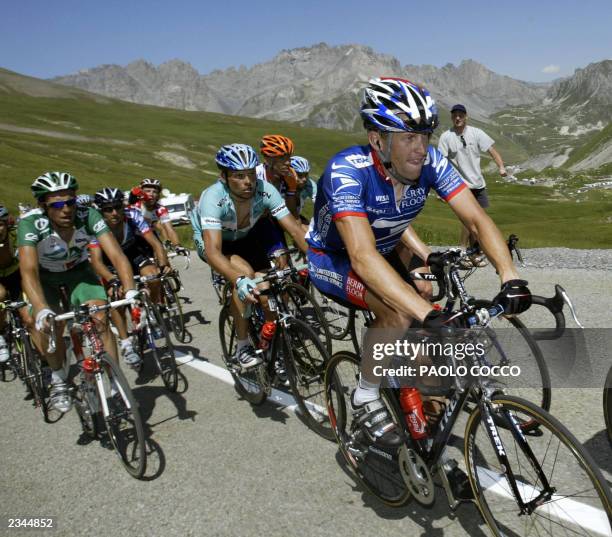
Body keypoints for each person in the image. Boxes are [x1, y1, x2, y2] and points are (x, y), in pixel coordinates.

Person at [306, 78, 531, 449]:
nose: (420, 148)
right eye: (407, 137)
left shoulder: (430, 161)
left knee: (429, 316)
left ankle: (424, 400)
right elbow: (361, 257)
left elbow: (475, 219)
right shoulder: (347, 171)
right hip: (335, 257)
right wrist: (424, 313)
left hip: (384, 252)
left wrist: (510, 277)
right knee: (400, 314)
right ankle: (365, 394)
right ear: (378, 139)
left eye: (424, 135)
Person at [18, 172, 138, 413]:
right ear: (43, 206)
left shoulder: (88, 215)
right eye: (57, 205)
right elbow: (28, 271)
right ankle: (59, 378)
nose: (66, 210)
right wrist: (41, 309)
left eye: (70, 202)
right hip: (45, 278)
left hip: (78, 272)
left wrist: (130, 291)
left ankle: (115, 380)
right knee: (46, 325)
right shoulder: (30, 223)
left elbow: (116, 255)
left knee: (99, 316)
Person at [198, 144, 308, 368]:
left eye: (250, 174)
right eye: (239, 176)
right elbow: (213, 251)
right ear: (224, 176)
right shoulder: (213, 197)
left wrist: (319, 261)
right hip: (217, 244)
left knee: (273, 283)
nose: (248, 181)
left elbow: (295, 230)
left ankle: (270, 336)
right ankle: (242, 345)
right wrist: (238, 280)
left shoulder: (265, 189)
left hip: (246, 236)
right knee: (246, 275)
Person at [89, 187, 172, 367]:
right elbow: (96, 262)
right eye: (108, 209)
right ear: (100, 211)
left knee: (153, 277)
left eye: (117, 207)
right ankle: (126, 343)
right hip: (108, 261)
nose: (114, 213)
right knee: (115, 296)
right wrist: (112, 279)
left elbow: (155, 243)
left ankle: (153, 309)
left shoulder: (132, 215)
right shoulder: (95, 226)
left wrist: (164, 263)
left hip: (133, 253)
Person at [437, 104, 507, 265]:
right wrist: (442, 189)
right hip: (460, 185)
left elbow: (492, 151)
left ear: (466, 116)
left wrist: (501, 167)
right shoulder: (446, 137)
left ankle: (474, 254)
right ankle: (463, 251)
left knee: (480, 220)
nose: (458, 118)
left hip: (478, 183)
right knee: (468, 220)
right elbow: (440, 162)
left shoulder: (477, 133)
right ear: (452, 117)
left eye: (460, 115)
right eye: (455, 115)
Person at [0, 204, 32, 363]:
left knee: (28, 316)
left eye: (0, 224)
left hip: (16, 275)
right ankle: (0, 337)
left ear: (6, 224)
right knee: (0, 296)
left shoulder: (15, 235)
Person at [130, 178, 186, 251]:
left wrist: (177, 245)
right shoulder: (134, 207)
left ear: (158, 195)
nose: (151, 194)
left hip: (151, 238)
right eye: (148, 191)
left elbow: (170, 229)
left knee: (162, 257)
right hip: (133, 238)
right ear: (141, 193)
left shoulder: (161, 209)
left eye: (155, 192)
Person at [256, 135, 299, 218]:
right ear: (268, 160)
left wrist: (292, 188)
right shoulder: (256, 175)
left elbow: (292, 212)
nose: (288, 163)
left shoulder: (289, 176)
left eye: (289, 158)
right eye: (283, 159)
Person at [290, 156, 318, 233]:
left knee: (309, 235)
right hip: (278, 216)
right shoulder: (281, 184)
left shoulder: (310, 184)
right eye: (300, 175)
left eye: (306, 175)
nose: (304, 179)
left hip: (295, 215)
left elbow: (320, 204)